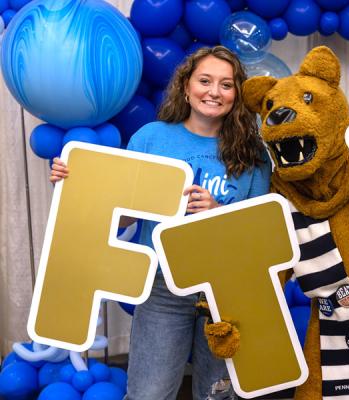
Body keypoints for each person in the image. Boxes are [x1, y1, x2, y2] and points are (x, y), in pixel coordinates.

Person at [50, 46, 271, 400]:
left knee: (218, 395)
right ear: (186, 87)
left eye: (226, 85)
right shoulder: (151, 139)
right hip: (163, 286)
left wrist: (218, 213)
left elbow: (262, 232)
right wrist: (75, 183)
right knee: (148, 394)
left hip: (226, 293)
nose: (214, 92)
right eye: (205, 81)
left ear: (237, 95)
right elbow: (120, 216)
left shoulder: (254, 154)